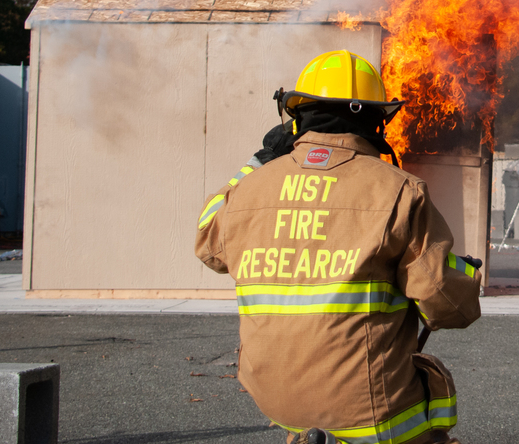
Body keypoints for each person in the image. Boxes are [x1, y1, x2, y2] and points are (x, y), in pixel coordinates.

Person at [195, 50, 481, 444]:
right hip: (367, 410)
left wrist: (258, 163)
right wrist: (465, 271)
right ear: (376, 120)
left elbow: (208, 243)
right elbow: (448, 306)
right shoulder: (400, 191)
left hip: (274, 402)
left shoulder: (248, 189)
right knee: (431, 386)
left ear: (298, 117)